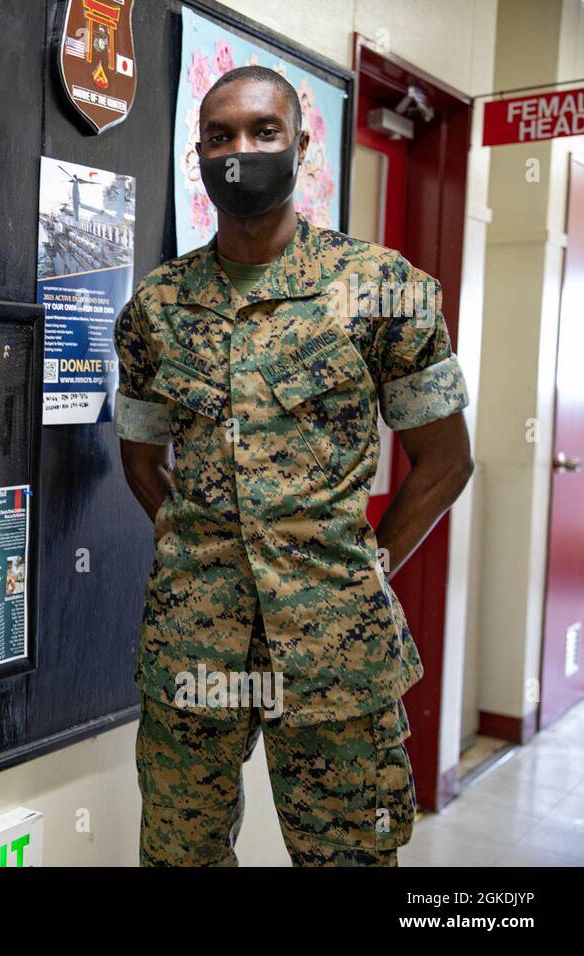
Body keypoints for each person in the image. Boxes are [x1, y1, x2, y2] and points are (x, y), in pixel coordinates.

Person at [114, 66, 473, 867]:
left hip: (335, 651)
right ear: (198, 156)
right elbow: (142, 461)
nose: (241, 151)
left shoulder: (381, 291)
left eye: (262, 132)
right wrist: (204, 554)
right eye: (220, 136)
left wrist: (366, 569)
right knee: (179, 857)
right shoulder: (156, 309)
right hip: (194, 652)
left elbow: (446, 463)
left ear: (301, 147)